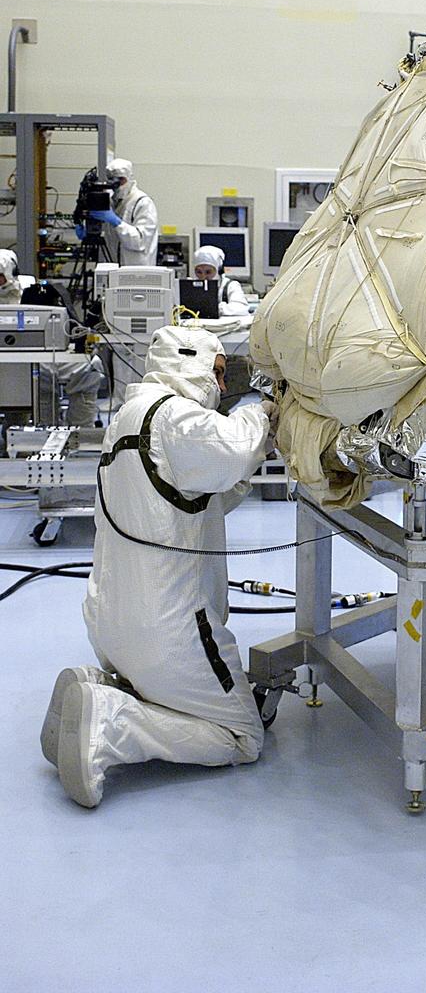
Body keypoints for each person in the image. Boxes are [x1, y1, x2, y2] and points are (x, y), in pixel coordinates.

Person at [41, 325, 275, 808]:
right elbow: (235, 446)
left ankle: (96, 685)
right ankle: (111, 723)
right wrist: (261, 412)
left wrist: (242, 471)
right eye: (216, 373)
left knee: (164, 686)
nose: (222, 386)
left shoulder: (129, 417)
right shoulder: (174, 417)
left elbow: (182, 504)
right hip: (170, 635)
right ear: (188, 362)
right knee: (240, 736)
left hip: (110, 624)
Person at [0, 249, 104, 426]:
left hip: (38, 355)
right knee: (34, 380)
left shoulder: (31, 290)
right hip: (9, 366)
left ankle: (78, 432)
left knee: (90, 366)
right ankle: (25, 434)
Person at [89, 158, 159, 268]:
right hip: (114, 268)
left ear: (130, 178)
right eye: (111, 180)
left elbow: (140, 242)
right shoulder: (110, 202)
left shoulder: (143, 202)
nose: (117, 185)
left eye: (121, 180)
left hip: (138, 272)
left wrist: (117, 223)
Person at [193, 245, 250, 317]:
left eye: (208, 272)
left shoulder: (230, 286)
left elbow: (242, 308)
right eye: (199, 272)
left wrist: (217, 308)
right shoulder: (190, 287)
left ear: (219, 271)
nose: (203, 277)